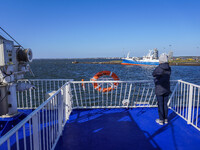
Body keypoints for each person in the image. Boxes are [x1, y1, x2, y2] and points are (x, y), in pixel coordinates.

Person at [152, 53, 171, 125]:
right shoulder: (169, 68)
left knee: (160, 104)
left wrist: (156, 80)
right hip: (167, 88)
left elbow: (153, 74)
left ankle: (161, 120)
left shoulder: (159, 68)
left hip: (160, 89)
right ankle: (165, 119)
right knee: (165, 104)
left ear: (161, 60)